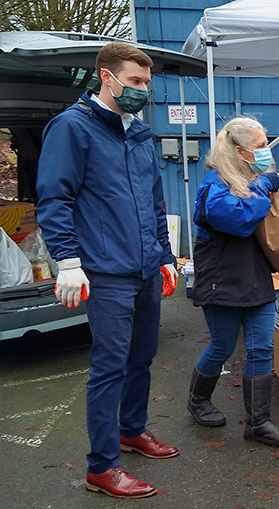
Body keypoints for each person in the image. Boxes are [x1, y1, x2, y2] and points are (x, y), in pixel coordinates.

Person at [35, 43, 180, 498]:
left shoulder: (138, 135)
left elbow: (155, 204)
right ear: (106, 77)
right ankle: (101, 467)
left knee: (141, 357)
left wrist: (165, 256)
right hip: (105, 271)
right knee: (109, 367)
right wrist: (69, 262)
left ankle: (131, 430)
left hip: (143, 268)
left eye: (145, 84)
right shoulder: (72, 129)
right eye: (133, 82)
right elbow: (54, 199)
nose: (140, 91)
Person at [187, 117, 279, 448]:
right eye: (260, 146)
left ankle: (258, 423)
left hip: (256, 279)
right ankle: (198, 401)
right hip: (222, 283)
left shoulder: (251, 178)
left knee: (261, 348)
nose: (267, 151)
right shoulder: (214, 186)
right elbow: (238, 219)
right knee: (221, 347)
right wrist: (263, 186)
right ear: (238, 151)